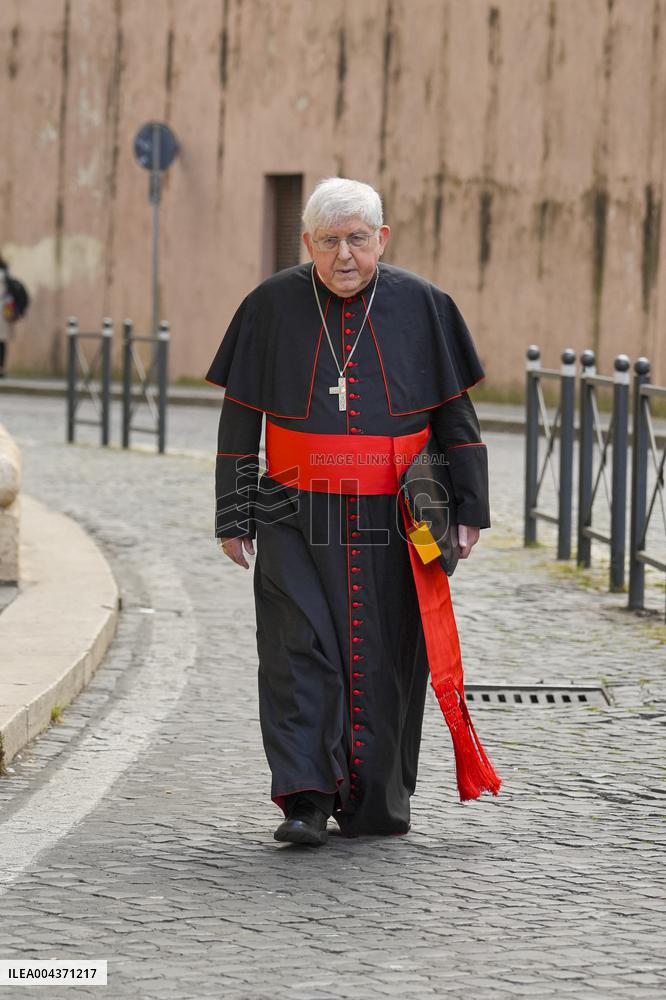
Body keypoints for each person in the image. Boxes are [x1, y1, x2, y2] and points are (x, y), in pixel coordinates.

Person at [207, 177, 501, 848]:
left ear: (382, 239)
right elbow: (240, 417)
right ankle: (306, 799)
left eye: (358, 240)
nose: (345, 255)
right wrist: (233, 514)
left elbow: (455, 415)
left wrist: (470, 508)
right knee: (296, 651)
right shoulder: (271, 305)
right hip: (290, 507)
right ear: (307, 242)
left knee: (384, 656)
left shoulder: (424, 305)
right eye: (330, 241)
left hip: (392, 515)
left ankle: (372, 801)